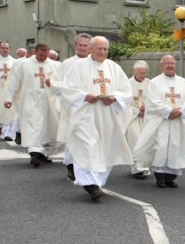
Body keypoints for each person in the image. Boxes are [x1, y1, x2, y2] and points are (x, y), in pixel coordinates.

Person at [59, 36, 133, 201]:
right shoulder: (78, 67)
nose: (102, 52)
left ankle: (97, 183)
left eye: (105, 49)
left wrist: (114, 98)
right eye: (99, 48)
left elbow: (126, 90)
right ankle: (89, 184)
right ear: (91, 49)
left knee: (106, 148)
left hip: (107, 115)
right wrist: (85, 96)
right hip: (86, 113)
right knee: (86, 146)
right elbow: (68, 89)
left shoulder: (113, 67)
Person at [132, 55, 185, 188]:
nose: (170, 65)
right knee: (162, 147)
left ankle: (171, 177)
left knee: (176, 148)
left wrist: (180, 111)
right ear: (161, 66)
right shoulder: (155, 82)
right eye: (167, 63)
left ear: (175, 65)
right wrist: (169, 111)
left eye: (172, 63)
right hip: (162, 121)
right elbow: (153, 102)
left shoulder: (183, 82)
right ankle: (160, 176)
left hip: (178, 122)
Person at [3, 43, 59, 167]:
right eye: (40, 55)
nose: (43, 57)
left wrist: (54, 84)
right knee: (33, 126)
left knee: (48, 128)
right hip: (30, 101)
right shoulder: (25, 64)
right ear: (36, 52)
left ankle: (43, 153)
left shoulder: (54, 65)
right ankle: (34, 153)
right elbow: (14, 82)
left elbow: (62, 82)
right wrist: (9, 98)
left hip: (49, 102)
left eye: (45, 55)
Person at [57, 33, 92, 180]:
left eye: (86, 45)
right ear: (76, 45)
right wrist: (74, 97)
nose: (83, 48)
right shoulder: (67, 64)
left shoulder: (97, 64)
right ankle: (71, 166)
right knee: (73, 137)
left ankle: (88, 167)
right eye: (81, 45)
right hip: (74, 107)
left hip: (92, 108)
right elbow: (57, 83)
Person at [125, 60, 152, 180]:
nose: (142, 75)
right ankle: (136, 168)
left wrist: (146, 109)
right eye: (140, 72)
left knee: (146, 141)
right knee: (135, 140)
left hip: (147, 117)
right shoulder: (126, 84)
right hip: (132, 117)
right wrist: (137, 111)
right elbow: (124, 102)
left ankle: (145, 167)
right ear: (134, 71)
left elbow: (155, 100)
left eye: (144, 73)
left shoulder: (150, 84)